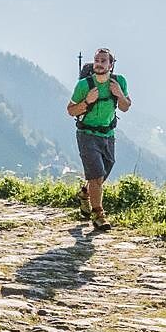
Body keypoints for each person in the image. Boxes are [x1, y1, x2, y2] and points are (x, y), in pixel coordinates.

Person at [66, 47, 130, 232]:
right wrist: (87, 101)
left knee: (100, 176)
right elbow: (71, 110)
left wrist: (119, 94)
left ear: (111, 65)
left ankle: (85, 193)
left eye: (103, 61)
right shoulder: (84, 86)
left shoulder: (119, 82)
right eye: (96, 60)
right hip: (87, 134)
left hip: (108, 135)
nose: (99, 64)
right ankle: (98, 214)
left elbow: (125, 107)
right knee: (97, 175)